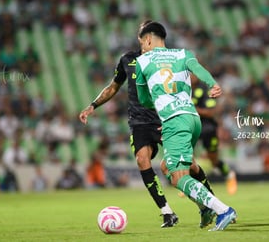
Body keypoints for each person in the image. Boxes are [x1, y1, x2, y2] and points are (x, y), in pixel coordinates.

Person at [79, 21, 216, 228]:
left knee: (188, 166)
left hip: (164, 116)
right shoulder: (128, 60)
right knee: (142, 159)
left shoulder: (168, 58)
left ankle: (209, 202)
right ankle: (167, 212)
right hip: (139, 122)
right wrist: (93, 105)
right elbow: (113, 87)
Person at [135, 21, 237, 231]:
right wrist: (213, 84)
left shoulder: (143, 61)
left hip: (174, 120)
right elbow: (199, 69)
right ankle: (205, 207)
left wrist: (160, 103)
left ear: (147, 39)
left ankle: (223, 210)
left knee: (179, 178)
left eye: (142, 43)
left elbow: (143, 100)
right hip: (192, 118)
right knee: (169, 167)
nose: (142, 47)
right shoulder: (183, 54)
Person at [191, 75, 237, 195]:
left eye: (192, 74)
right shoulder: (183, 89)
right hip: (191, 127)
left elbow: (211, 112)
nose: (190, 76)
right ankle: (189, 184)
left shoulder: (205, 91)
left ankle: (229, 175)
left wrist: (192, 109)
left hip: (207, 128)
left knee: (213, 159)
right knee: (187, 156)